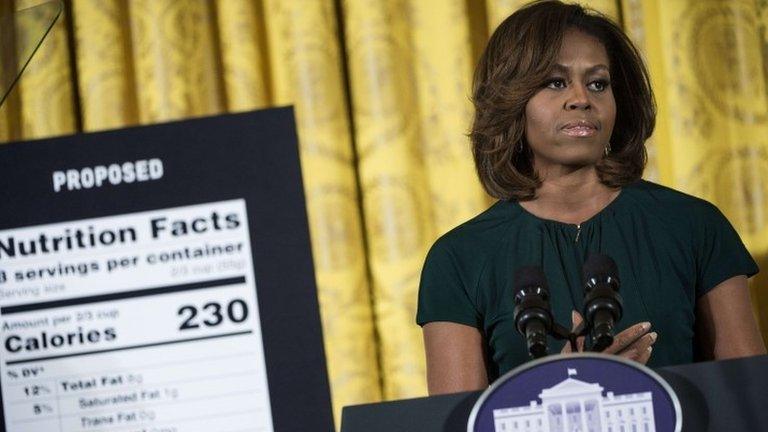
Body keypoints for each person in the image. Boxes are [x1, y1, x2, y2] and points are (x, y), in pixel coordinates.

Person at [416, 0, 766, 395]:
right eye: (555, 82)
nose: (582, 98)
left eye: (598, 83)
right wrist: (571, 385)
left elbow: (751, 400)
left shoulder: (694, 225)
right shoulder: (460, 258)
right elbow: (460, 420)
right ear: (511, 99)